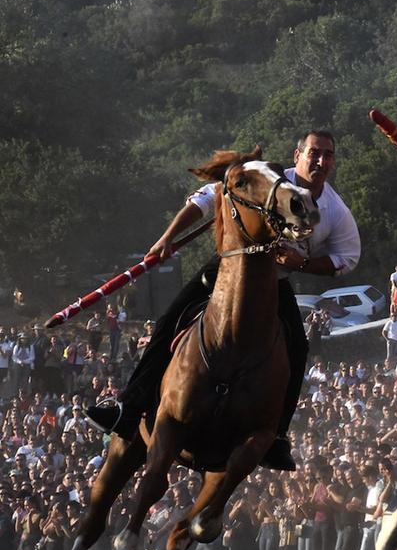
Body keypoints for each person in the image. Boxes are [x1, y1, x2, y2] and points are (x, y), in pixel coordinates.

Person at [86, 131, 361, 470]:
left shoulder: (336, 211)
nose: (320, 160)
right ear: (297, 155)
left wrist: (301, 263)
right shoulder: (265, 177)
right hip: (228, 270)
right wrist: (168, 237)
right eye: (314, 152)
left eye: (328, 155)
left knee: (298, 348)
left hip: (275, 283)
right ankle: (128, 407)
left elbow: (346, 258)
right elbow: (204, 199)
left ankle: (277, 436)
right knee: (168, 321)